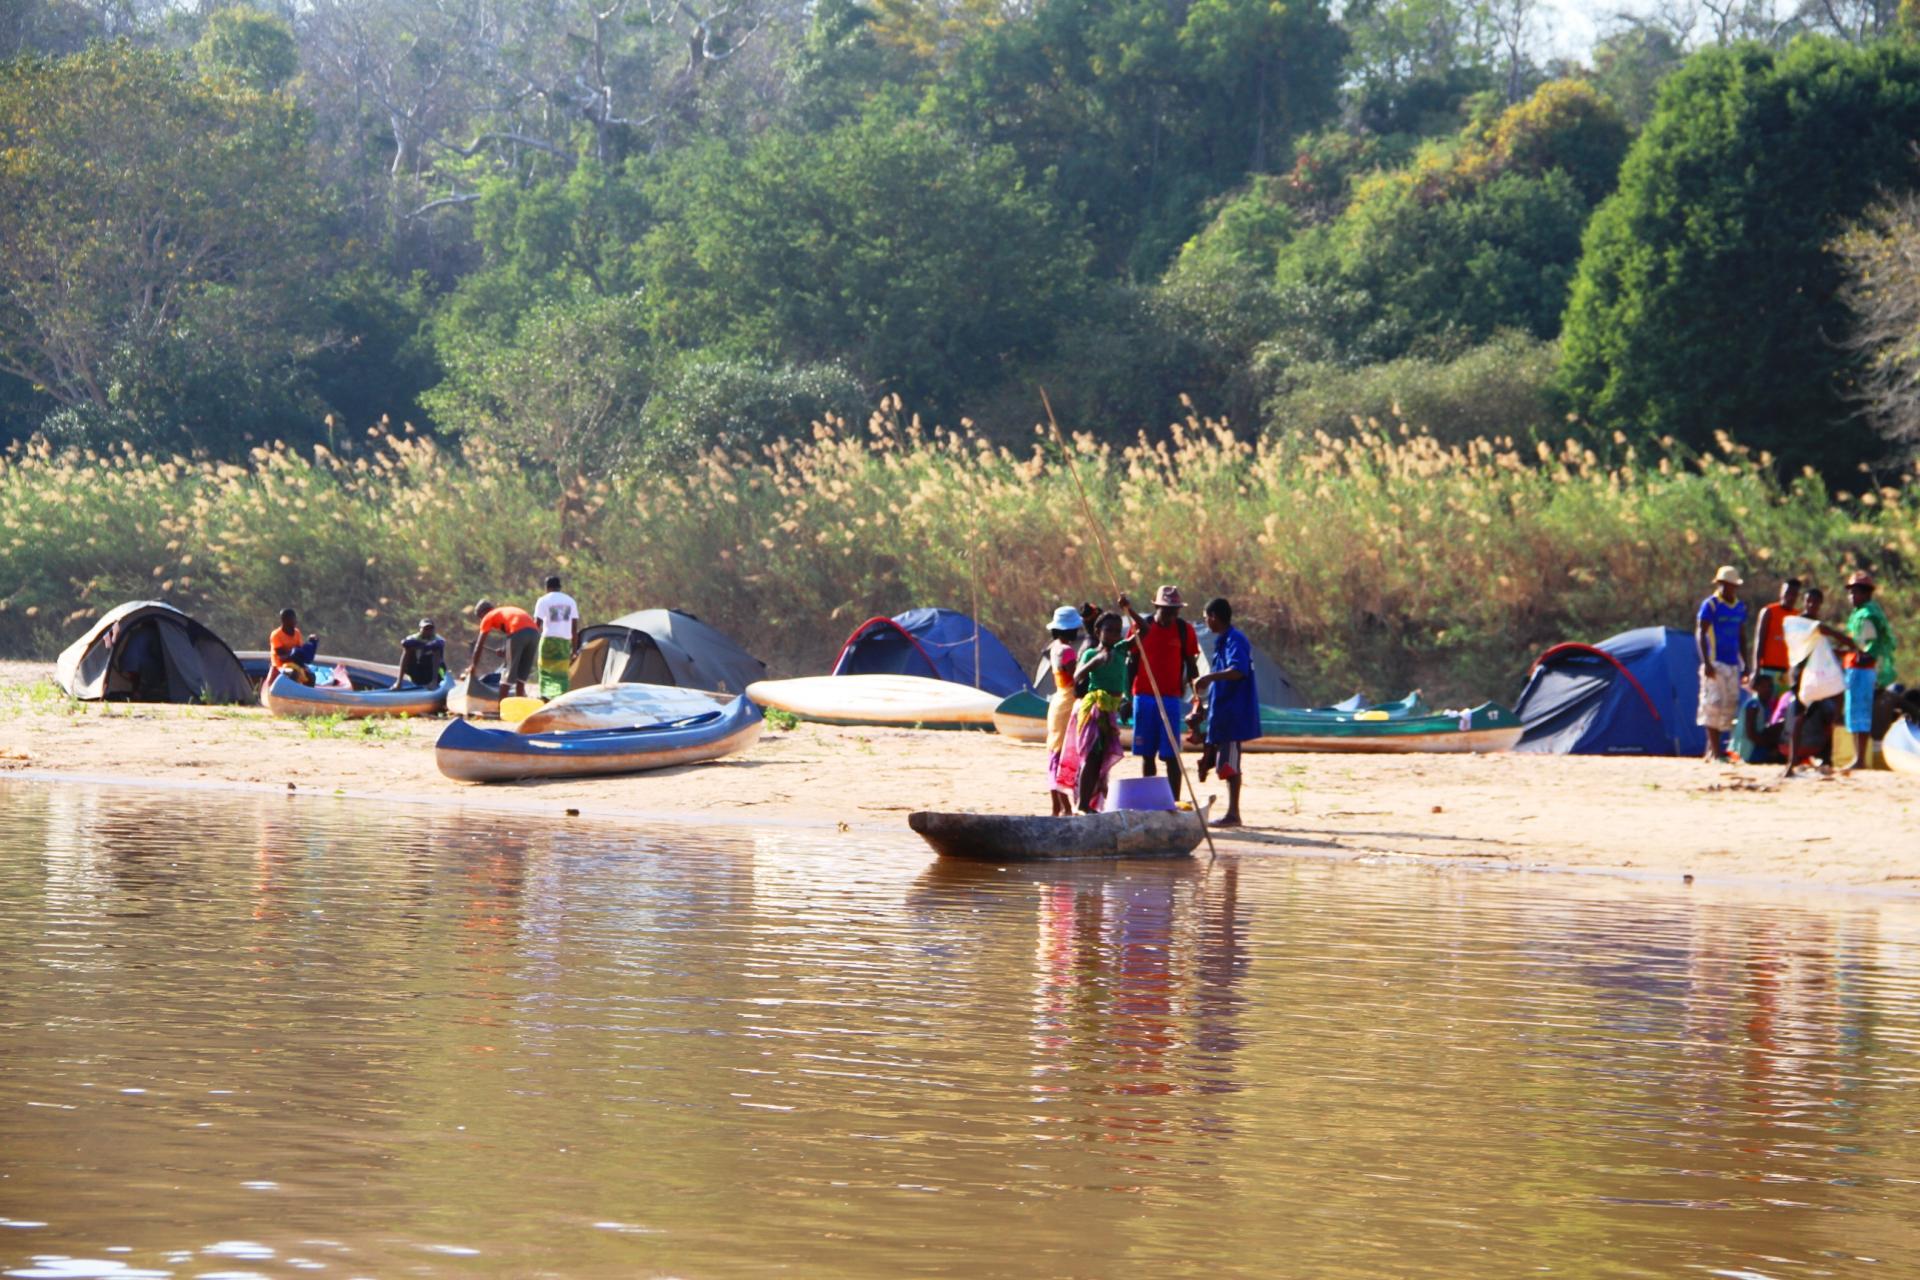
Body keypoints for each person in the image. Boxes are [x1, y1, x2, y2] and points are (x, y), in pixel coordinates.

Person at [1119, 586, 1200, 803]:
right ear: (1155, 606)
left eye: (1175, 611)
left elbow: (1191, 666)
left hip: (1171, 699)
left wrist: (1196, 699)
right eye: (1166, 610)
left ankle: (1174, 801)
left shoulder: (1185, 630)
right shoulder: (1140, 628)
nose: (1171, 615)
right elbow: (1131, 664)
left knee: (1171, 755)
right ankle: (1150, 802)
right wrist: (1126, 697)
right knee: (1147, 754)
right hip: (1143, 698)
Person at [1055, 611, 1133, 813]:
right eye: (1108, 630)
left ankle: (1091, 803)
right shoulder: (1091, 653)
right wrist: (1096, 662)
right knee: (1091, 756)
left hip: (1110, 709)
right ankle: (1082, 805)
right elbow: (1078, 676)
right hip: (1094, 709)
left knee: (1102, 759)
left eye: (1118, 631)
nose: (1114, 635)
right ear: (1098, 631)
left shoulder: (1121, 650)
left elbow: (1146, 631)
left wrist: (1128, 609)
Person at [1193, 597, 1260, 827]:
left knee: (1230, 764)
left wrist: (1209, 677)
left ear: (1213, 617)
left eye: (1206, 618)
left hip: (1234, 712)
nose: (1206, 622)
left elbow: (1238, 670)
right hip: (1222, 712)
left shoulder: (1235, 639)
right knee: (1221, 760)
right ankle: (1231, 811)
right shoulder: (1222, 641)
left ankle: (1233, 813)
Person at [1782, 587, 1854, 779]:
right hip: (1801, 678)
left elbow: (1822, 649)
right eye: (1809, 601)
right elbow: (1823, 630)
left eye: (1815, 602)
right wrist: (1849, 641)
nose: (1811, 605)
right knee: (1799, 719)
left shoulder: (1815, 628)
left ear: (1820, 604)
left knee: (1833, 704)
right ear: (1804, 602)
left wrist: (1843, 650)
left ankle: (1827, 758)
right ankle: (1791, 764)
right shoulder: (1799, 623)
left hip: (1817, 679)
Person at [1842, 570, 1898, 774]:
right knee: (1855, 712)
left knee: (1860, 713)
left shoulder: (1867, 616)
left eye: (1856, 592)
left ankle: (1860, 759)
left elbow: (1869, 646)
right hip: (1857, 667)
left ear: (1866, 594)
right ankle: (1858, 757)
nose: (1852, 597)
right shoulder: (1860, 614)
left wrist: (1860, 654)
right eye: (1851, 592)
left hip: (1863, 669)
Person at [1695, 565, 1749, 763]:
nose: (1730, 589)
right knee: (1713, 704)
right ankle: (1716, 753)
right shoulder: (1710, 605)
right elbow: (1701, 632)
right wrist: (1706, 662)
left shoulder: (1740, 607)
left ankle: (1713, 750)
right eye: (1727, 585)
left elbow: (1742, 636)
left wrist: (1746, 663)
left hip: (1733, 663)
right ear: (1720, 584)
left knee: (1729, 705)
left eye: (1733, 586)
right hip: (1715, 661)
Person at [1041, 605, 1083, 816]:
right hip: (1067, 702)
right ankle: (1066, 806)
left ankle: (1057, 806)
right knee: (1064, 754)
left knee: (1054, 753)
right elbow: (1076, 679)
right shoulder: (1067, 651)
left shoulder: (1053, 647)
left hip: (1057, 701)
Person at [467, 598, 540, 699]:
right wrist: (505, 650)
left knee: (506, 676)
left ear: (483, 612)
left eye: (480, 617)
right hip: (534, 634)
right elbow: (516, 630)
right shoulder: (503, 612)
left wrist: (473, 667)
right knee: (521, 677)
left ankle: (501, 709)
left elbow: (479, 645)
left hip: (518, 632)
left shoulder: (488, 616)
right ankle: (519, 707)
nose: (481, 620)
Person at [532, 575, 581, 700]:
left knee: (545, 669)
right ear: (560, 587)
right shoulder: (570, 601)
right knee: (562, 672)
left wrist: (531, 644)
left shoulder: (543, 600)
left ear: (547, 587)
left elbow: (536, 625)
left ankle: (545, 697)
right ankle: (561, 698)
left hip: (548, 640)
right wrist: (574, 650)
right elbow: (574, 628)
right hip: (564, 642)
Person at [1750, 577, 1801, 687]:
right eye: (1787, 593)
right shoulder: (1769, 612)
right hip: (1767, 670)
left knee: (1783, 704)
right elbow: (1759, 642)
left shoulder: (1798, 616)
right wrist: (1756, 670)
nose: (1790, 597)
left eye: (1794, 594)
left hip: (1787, 673)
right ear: (1781, 593)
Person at [1732, 673, 1784, 765]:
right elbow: (1751, 734)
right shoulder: (1753, 705)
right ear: (1756, 688)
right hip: (1749, 750)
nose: (1768, 689)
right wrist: (1769, 745)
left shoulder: (1764, 705)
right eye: (1764, 686)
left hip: (1757, 743)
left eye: (1770, 686)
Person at [393, 619, 447, 690]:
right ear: (420, 629)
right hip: (417, 672)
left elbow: (440, 644)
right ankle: (399, 682)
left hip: (433, 673)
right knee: (408, 649)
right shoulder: (414, 638)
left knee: (436, 649)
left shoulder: (438, 639)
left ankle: (434, 682)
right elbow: (404, 643)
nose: (428, 631)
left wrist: (426, 646)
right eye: (426, 629)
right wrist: (422, 645)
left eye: (430, 628)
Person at [269, 608, 316, 687]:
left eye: (295, 618)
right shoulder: (276, 635)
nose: (295, 621)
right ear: (285, 620)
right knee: (293, 674)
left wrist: (311, 643)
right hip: (279, 665)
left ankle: (304, 695)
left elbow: (299, 651)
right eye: (292, 619)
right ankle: (288, 693)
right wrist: (292, 654)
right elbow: (281, 656)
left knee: (311, 677)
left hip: (294, 663)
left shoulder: (297, 632)